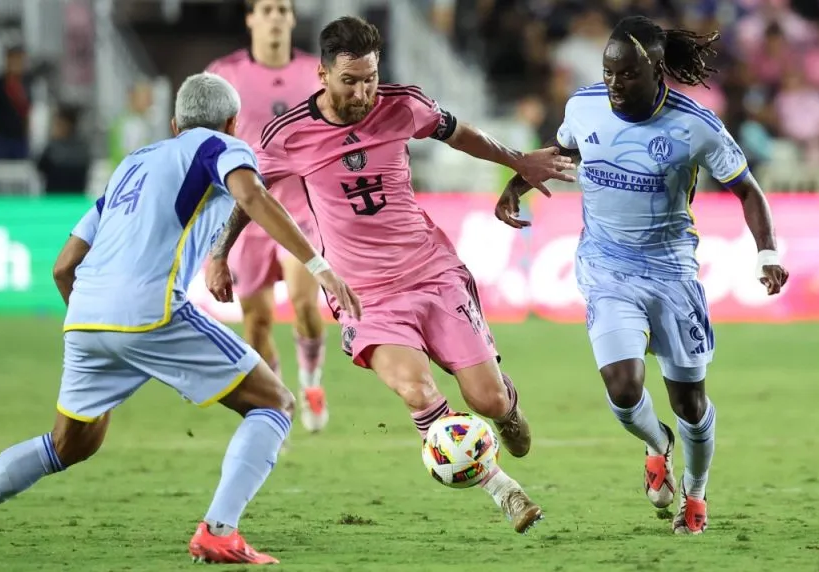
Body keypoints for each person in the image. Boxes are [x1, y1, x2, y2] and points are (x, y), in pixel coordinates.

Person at [0, 72, 360, 566]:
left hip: (86, 315)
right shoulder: (220, 146)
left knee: (65, 447)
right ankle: (219, 532)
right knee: (274, 403)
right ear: (231, 123)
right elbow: (252, 196)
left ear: (172, 122)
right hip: (151, 309)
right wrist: (319, 267)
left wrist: (102, 331)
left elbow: (63, 266)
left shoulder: (131, 165)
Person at [205, 16, 575, 534]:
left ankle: (507, 413)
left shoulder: (403, 104)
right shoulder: (288, 135)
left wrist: (516, 161)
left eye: (371, 78)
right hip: (365, 296)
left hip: (431, 273)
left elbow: (458, 132)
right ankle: (505, 491)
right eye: (351, 80)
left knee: (487, 399)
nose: (363, 92)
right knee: (418, 392)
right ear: (323, 75)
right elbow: (251, 194)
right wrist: (221, 251)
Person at [494, 15, 790, 535]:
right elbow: (565, 151)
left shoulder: (694, 125)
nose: (613, 84)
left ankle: (695, 494)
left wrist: (767, 253)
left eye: (626, 74)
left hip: (671, 272)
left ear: (655, 69)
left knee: (689, 402)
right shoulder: (583, 105)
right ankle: (658, 446)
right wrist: (517, 184)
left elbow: (748, 189)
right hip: (606, 268)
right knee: (624, 386)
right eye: (608, 73)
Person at [205, 0, 329, 433]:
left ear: (292, 19)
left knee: (303, 305)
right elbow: (204, 139)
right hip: (245, 215)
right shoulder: (225, 74)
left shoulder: (317, 72)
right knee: (256, 323)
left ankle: (312, 381)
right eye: (267, 9)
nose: (275, 16)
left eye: (282, 9)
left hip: (301, 210)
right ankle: (282, 400)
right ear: (251, 19)